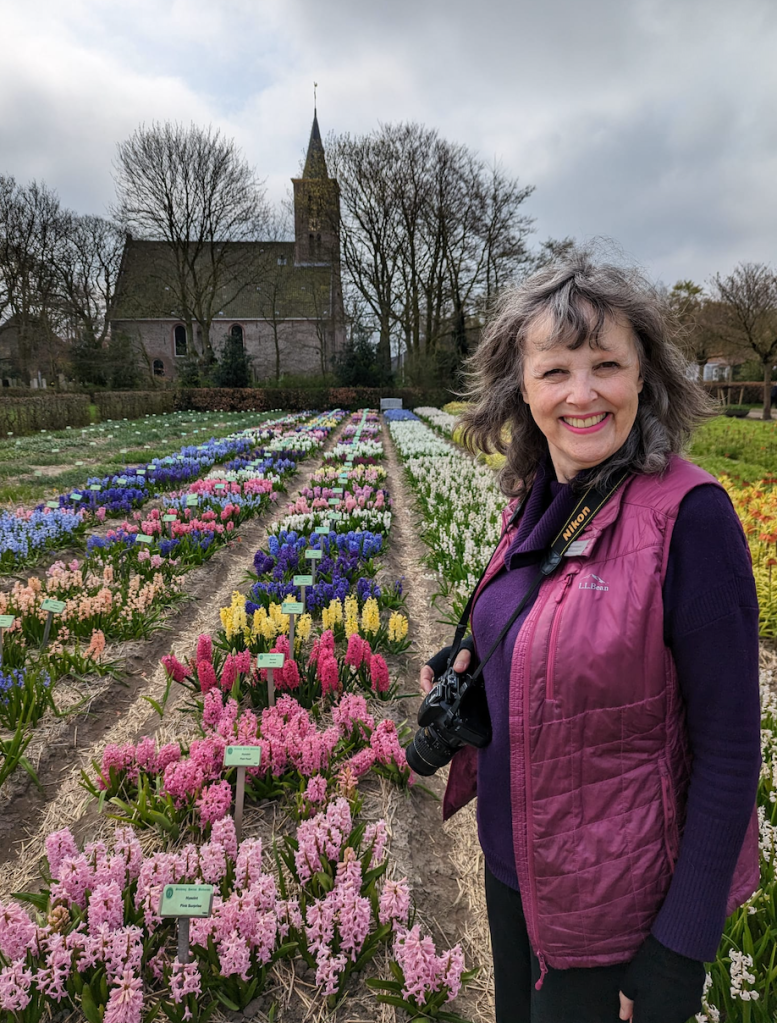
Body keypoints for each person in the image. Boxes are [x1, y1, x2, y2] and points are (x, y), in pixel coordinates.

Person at [419, 254, 761, 1023]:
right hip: (516, 879)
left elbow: (732, 749)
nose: (581, 393)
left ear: (644, 378)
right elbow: (540, 624)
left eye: (605, 364)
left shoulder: (689, 517)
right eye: (555, 370)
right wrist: (476, 663)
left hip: (615, 913)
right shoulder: (538, 497)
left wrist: (677, 952)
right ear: (521, 387)